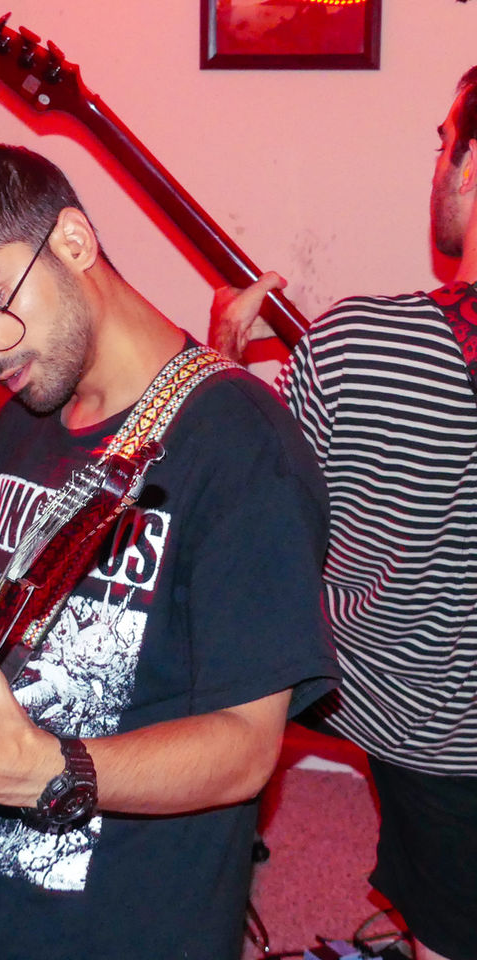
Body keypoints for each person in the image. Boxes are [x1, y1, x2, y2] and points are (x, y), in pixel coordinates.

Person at [0, 145, 339, 960]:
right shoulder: (25, 420)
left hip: (114, 926)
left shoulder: (241, 445)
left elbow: (245, 749)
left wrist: (39, 771)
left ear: (74, 242)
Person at [208, 69, 477, 960]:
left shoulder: (360, 342)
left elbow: (249, 513)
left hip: (419, 719)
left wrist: (224, 365)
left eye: (444, 143)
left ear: (473, 164)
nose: (437, 164)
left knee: (211, 631)